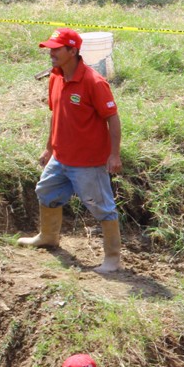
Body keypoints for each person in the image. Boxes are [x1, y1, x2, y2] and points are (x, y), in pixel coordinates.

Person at [18, 28, 124, 274]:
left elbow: (113, 118)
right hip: (61, 155)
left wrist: (114, 154)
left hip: (88, 161)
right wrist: (49, 148)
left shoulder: (93, 82)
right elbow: (57, 115)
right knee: (46, 191)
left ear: (73, 51)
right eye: (50, 49)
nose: (51, 53)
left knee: (101, 206)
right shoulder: (56, 77)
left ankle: (113, 259)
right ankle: (48, 236)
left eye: (56, 49)